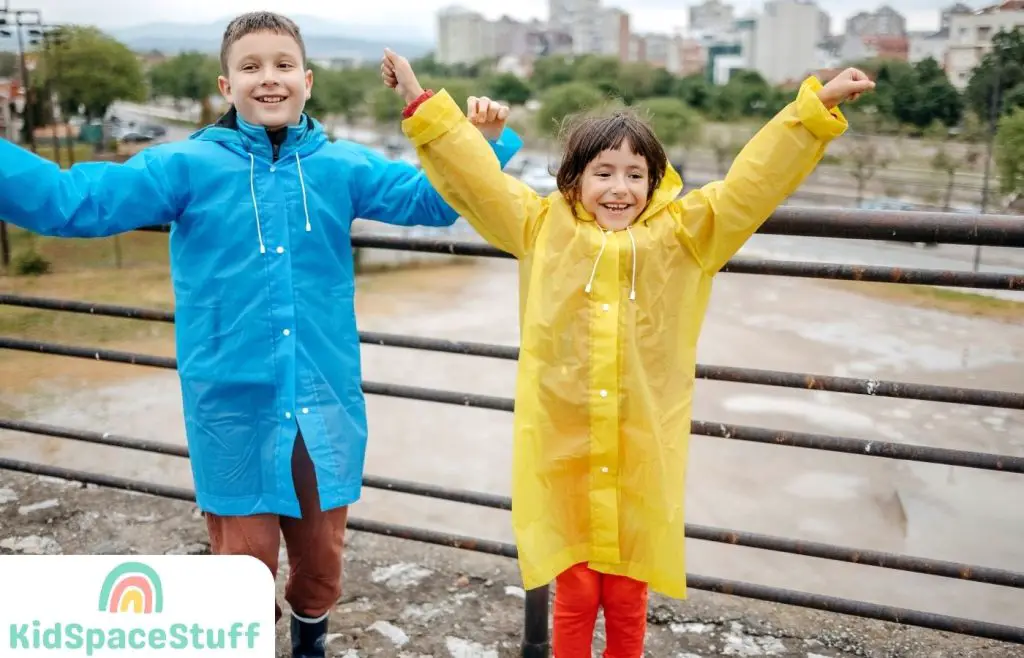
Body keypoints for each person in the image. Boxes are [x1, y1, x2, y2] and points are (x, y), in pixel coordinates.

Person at [0, 12, 522, 658]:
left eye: (282, 66)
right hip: (231, 404)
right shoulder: (184, 166)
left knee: (322, 563)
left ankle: (310, 641)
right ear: (226, 85)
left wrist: (484, 142)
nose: (267, 79)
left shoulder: (343, 166)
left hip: (322, 401)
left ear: (307, 82)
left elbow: (434, 202)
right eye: (250, 67)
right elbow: (69, 200)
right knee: (241, 567)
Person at [381, 49, 874, 657]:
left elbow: (754, 183)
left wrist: (810, 111)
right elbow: (474, 179)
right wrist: (419, 101)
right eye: (604, 172)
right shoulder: (538, 228)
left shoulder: (688, 234)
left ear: (656, 180)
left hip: (643, 447)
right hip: (564, 447)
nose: (619, 188)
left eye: (635, 174)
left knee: (627, 589)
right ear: (574, 181)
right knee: (575, 586)